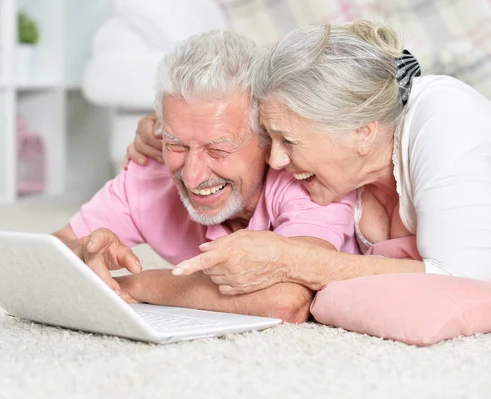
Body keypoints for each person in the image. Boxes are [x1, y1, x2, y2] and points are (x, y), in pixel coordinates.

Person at [127, 20, 491, 295]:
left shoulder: (446, 119)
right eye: (271, 138)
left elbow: (463, 282)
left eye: (287, 140)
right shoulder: (348, 168)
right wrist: (166, 131)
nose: (276, 161)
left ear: (362, 131)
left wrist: (294, 260)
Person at [53, 30, 359, 322]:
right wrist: (83, 253)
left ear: (268, 138)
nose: (193, 175)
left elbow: (284, 301)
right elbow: (52, 248)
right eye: (177, 145)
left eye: (218, 151)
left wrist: (137, 285)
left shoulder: (307, 177)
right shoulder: (151, 171)